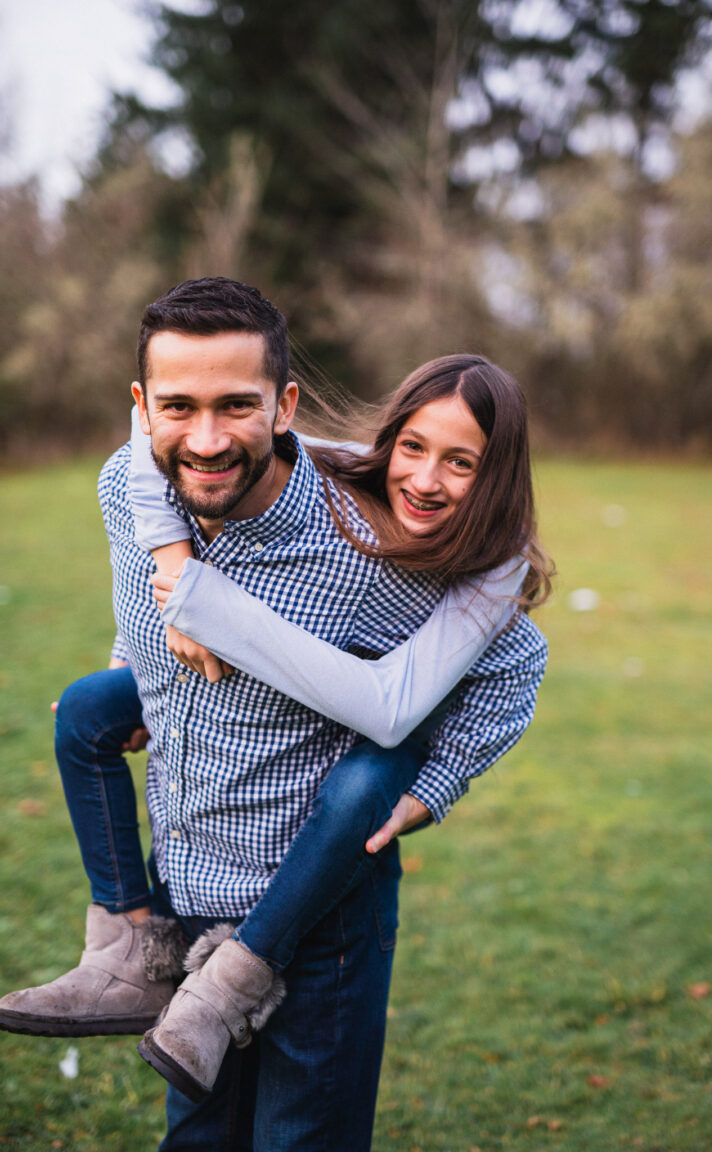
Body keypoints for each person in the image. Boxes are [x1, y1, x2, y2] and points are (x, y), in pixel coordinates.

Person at [0, 278, 549, 1152]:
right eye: (178, 406)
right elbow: (136, 599)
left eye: (236, 405)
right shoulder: (126, 488)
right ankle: (123, 948)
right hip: (187, 891)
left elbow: (514, 655)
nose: (206, 438)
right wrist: (136, 664)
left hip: (317, 919)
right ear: (142, 407)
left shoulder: (371, 547)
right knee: (197, 1138)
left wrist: (441, 778)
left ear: (283, 406)